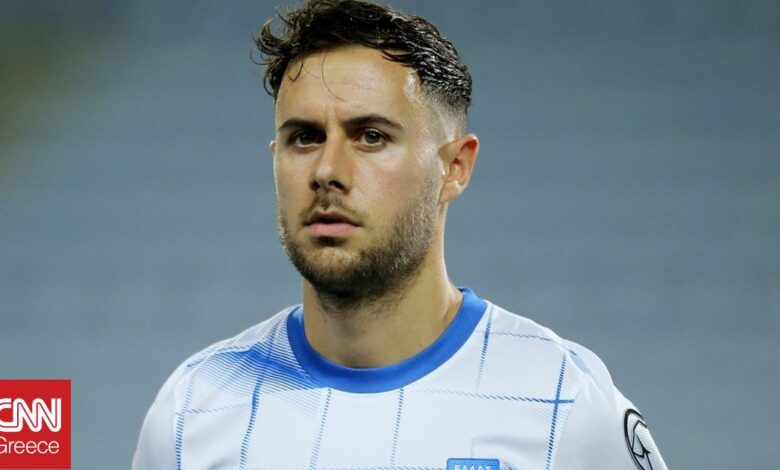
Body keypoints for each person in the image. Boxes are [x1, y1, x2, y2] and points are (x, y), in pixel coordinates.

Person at [133, 1, 668, 469]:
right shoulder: (192, 411)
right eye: (305, 137)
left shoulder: (565, 403)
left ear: (455, 167)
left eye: (370, 136)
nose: (327, 170)